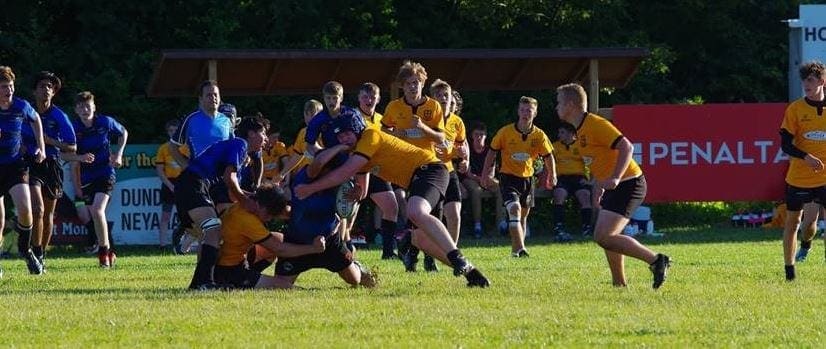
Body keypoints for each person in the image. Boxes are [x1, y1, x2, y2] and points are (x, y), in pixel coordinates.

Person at [294, 115, 489, 287]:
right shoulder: (359, 151)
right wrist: (357, 191)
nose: (343, 139)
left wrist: (310, 188)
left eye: (346, 134)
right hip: (418, 179)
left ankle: (457, 257)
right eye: (339, 137)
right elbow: (362, 188)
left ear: (356, 128)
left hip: (430, 169)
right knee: (419, 238)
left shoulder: (370, 135)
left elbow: (345, 172)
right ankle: (472, 273)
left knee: (415, 211)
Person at [556, 83, 670, 289]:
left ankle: (656, 260)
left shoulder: (594, 123)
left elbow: (627, 146)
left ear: (571, 105)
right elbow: (600, 161)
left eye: (559, 103)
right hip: (614, 186)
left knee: (603, 236)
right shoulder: (579, 130)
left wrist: (616, 178)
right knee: (608, 236)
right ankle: (619, 284)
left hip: (629, 183)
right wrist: (600, 187)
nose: (556, 107)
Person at [175, 116, 266, 290]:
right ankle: (204, 282)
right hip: (193, 183)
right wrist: (246, 201)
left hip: (193, 185)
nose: (266, 139)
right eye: (263, 133)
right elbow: (229, 178)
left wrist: (252, 197)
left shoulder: (240, 151)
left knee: (211, 233)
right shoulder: (240, 144)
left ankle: (201, 283)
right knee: (213, 229)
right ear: (252, 134)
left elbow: (231, 190)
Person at [271, 145, 377, 289]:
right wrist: (340, 147)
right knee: (280, 286)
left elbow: (351, 205)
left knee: (355, 280)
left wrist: (357, 194)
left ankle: (356, 266)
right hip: (298, 241)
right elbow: (319, 163)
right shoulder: (305, 176)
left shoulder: (340, 185)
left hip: (329, 242)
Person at [382, 61, 446, 272]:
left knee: (432, 214)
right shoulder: (394, 107)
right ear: (403, 85)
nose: (413, 86)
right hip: (403, 167)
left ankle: (428, 256)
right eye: (409, 83)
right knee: (411, 210)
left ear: (423, 82)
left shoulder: (433, 106)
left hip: (429, 167)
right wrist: (395, 134)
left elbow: (440, 137)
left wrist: (422, 127)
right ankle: (411, 253)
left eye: (417, 82)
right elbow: (382, 134)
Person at [481, 96, 556, 257]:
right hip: (508, 177)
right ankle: (521, 248)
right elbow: (492, 152)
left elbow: (548, 156)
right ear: (518, 111)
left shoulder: (539, 135)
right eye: (522, 110)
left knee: (522, 216)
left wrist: (552, 174)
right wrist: (485, 174)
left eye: (529, 110)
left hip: (528, 180)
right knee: (514, 208)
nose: (525, 113)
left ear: (535, 113)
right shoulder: (505, 132)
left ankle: (515, 250)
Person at [214, 184, 327, 289]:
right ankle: (243, 280)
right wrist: (313, 248)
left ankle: (253, 275)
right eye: (269, 215)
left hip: (236, 256)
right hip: (229, 270)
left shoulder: (249, 202)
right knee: (284, 287)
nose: (269, 219)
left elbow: (287, 213)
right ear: (260, 206)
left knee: (278, 238)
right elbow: (280, 249)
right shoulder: (248, 220)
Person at [302, 81, 367, 252]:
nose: (332, 101)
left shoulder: (352, 115)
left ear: (341, 97)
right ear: (324, 98)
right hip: (333, 163)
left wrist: (356, 159)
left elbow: (363, 140)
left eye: (335, 97)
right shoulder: (319, 119)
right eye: (329, 98)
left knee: (357, 197)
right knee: (337, 201)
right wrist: (322, 155)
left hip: (355, 160)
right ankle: (342, 241)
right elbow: (310, 144)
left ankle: (347, 235)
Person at [23, 71, 76, 269]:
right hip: (31, 163)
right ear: (34, 91)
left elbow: (72, 147)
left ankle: (41, 254)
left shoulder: (59, 115)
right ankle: (34, 253)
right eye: (42, 86)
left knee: (48, 215)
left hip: (52, 164)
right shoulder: (26, 112)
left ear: (53, 93)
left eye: (50, 87)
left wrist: (48, 141)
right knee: (37, 209)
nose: (46, 89)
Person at [69, 91, 128, 268]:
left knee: (97, 210)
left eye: (88, 106)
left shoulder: (105, 122)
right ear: (76, 110)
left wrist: (118, 154)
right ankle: (110, 250)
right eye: (81, 107)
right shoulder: (73, 128)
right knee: (95, 215)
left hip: (105, 173)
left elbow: (123, 132)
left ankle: (103, 254)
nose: (85, 109)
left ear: (94, 107)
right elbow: (64, 154)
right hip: (86, 177)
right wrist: (79, 158)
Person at [779, 61, 826, 280]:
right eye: (804, 80)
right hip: (799, 177)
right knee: (798, 224)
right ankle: (790, 272)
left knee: (811, 225)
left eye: (811, 80)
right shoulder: (795, 109)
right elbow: (785, 145)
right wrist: (806, 157)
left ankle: (807, 246)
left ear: (822, 82)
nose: (806, 84)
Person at [0, 66, 47, 276]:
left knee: (26, 209)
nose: (8, 90)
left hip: (15, 164)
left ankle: (26, 250)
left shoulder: (21, 106)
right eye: (3, 87)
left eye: (10, 86)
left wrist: (41, 147)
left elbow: (36, 119)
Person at [171, 80, 234, 214]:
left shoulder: (226, 121)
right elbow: (173, 146)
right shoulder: (191, 119)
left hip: (221, 178)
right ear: (201, 99)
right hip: (199, 177)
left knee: (225, 216)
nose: (213, 98)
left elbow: (232, 148)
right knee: (206, 218)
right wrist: (187, 166)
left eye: (216, 95)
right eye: (209, 95)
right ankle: (187, 232)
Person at [356, 82, 399, 259]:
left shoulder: (382, 120)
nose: (369, 100)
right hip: (356, 170)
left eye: (373, 96)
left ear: (379, 98)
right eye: (365, 96)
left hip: (378, 171)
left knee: (391, 207)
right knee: (347, 213)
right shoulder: (352, 117)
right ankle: (339, 250)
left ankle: (388, 252)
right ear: (359, 98)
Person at [430, 80, 468, 257]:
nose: (444, 98)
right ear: (432, 98)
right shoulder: (426, 118)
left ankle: (452, 255)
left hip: (448, 171)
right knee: (432, 218)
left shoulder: (457, 122)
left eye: (446, 95)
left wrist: (464, 159)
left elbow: (462, 147)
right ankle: (426, 255)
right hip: (430, 172)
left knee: (454, 215)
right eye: (439, 95)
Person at [460, 122, 505, 238]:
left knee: (501, 187)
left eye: (481, 134)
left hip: (485, 178)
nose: (479, 137)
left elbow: (492, 171)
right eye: (476, 134)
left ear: (485, 136)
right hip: (469, 178)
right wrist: (480, 179)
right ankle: (477, 225)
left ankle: (500, 223)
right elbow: (467, 172)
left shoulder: (490, 151)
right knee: (476, 191)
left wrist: (485, 179)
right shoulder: (467, 149)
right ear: (472, 136)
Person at [551, 122, 593, 239]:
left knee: (584, 195)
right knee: (559, 195)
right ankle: (559, 227)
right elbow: (547, 163)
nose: (559, 135)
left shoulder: (581, 146)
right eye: (559, 132)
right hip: (562, 177)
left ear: (571, 134)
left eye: (562, 132)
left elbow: (592, 164)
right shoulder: (555, 146)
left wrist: (591, 180)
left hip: (578, 177)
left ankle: (587, 228)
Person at [155, 119, 189, 249]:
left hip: (184, 182)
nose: (173, 133)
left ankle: (185, 245)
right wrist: (170, 185)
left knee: (187, 216)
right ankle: (162, 244)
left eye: (176, 130)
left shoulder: (186, 147)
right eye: (171, 131)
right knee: (165, 215)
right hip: (169, 183)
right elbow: (159, 170)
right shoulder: (163, 148)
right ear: (167, 132)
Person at [279, 99, 323, 186]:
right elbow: (298, 155)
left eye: (313, 115)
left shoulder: (326, 131)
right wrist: (282, 174)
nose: (309, 118)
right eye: (307, 114)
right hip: (304, 175)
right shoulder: (303, 132)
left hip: (321, 176)